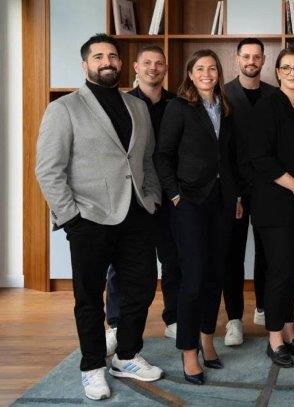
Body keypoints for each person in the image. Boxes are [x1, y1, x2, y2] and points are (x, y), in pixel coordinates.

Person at [35, 33, 163, 400]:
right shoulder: (64, 108)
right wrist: (70, 218)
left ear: (121, 63)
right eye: (98, 56)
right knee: (89, 298)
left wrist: (152, 199)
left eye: (112, 56)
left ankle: (126, 355)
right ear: (85, 65)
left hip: (136, 214)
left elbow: (146, 160)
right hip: (88, 218)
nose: (107, 61)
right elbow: (48, 169)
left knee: (141, 289)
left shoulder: (137, 106)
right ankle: (92, 366)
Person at [154, 49, 240, 385]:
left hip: (222, 202)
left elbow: (230, 158)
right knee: (192, 279)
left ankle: (207, 338)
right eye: (200, 68)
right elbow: (162, 155)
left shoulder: (226, 108)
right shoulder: (178, 108)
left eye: (212, 68)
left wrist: (236, 196)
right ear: (190, 74)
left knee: (215, 275)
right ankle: (188, 351)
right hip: (189, 202)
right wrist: (175, 194)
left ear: (219, 73)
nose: (206, 73)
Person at [249, 48, 294, 368]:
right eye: (286, 68)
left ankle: (290, 332)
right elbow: (260, 158)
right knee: (279, 271)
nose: (293, 73)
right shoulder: (267, 106)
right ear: (277, 72)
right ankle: (274, 338)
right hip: (275, 203)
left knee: (293, 270)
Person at [104, 45, 178, 357]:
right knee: (122, 264)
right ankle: (115, 324)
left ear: (165, 68)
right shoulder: (122, 104)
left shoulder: (177, 104)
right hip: (134, 196)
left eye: (159, 63)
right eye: (147, 63)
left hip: (170, 195)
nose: (153, 68)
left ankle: (173, 319)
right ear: (135, 67)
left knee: (174, 259)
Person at [222, 38, 277, 346]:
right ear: (237, 59)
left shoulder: (275, 95)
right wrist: (233, 193)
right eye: (246, 56)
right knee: (233, 254)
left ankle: (263, 307)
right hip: (235, 189)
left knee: (267, 251)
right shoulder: (223, 94)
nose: (251, 61)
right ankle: (234, 319)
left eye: (257, 56)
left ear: (264, 60)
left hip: (269, 187)